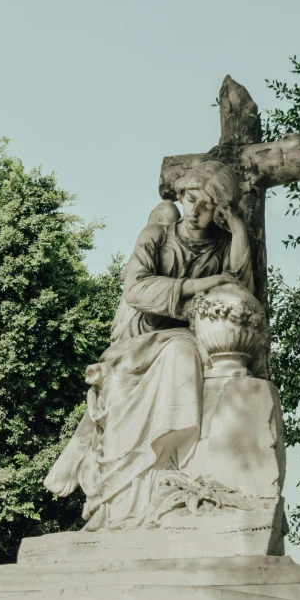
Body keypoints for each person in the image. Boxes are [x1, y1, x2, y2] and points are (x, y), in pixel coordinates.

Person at [44, 161, 254, 530]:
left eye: (207, 206)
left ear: (218, 209)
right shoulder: (156, 236)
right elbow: (135, 289)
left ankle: (166, 468)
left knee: (182, 353)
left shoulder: (222, 245)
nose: (196, 212)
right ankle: (116, 501)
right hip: (137, 342)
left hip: (186, 340)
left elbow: (238, 287)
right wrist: (195, 286)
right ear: (181, 197)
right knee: (143, 375)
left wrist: (237, 228)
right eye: (191, 200)